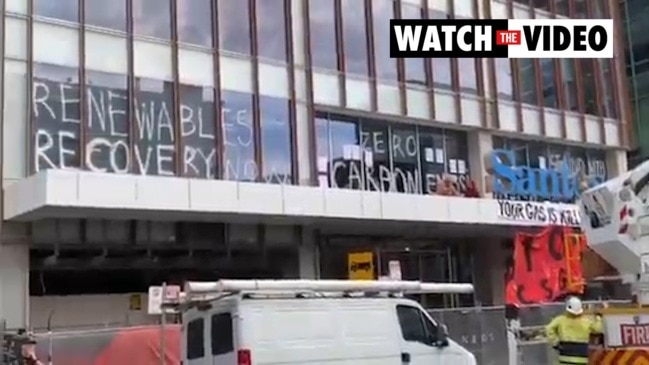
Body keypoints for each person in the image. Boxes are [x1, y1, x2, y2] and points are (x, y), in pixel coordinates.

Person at [545, 296, 602, 365]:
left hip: (565, 356)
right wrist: (598, 318)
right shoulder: (586, 321)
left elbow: (548, 329)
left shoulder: (560, 320)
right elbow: (598, 329)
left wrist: (555, 343)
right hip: (581, 357)